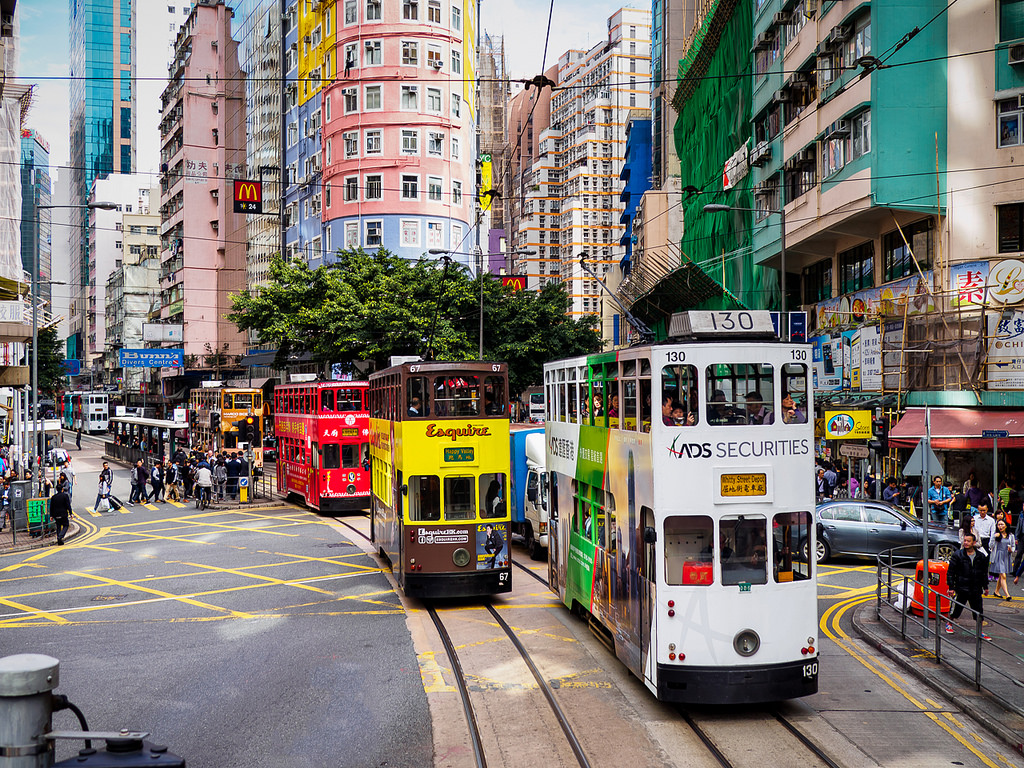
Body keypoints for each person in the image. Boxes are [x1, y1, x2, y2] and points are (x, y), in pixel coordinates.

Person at [945, 533, 991, 640]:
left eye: (968, 541)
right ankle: (949, 622)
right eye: (964, 541)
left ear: (974, 543)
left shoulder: (981, 556)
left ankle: (979, 631)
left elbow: (984, 573)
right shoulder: (958, 555)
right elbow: (950, 572)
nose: (965, 543)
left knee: (979, 611)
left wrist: (986, 587)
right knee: (956, 609)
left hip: (975, 588)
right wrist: (951, 587)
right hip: (961, 588)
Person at [989, 518, 1015, 600]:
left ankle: (996, 591)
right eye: (998, 525)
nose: (1000, 526)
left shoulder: (1010, 535)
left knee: (1001, 576)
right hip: (998, 556)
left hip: (1006, 556)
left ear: (1006, 526)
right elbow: (990, 545)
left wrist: (1011, 550)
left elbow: (1013, 546)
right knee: (1003, 575)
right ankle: (1007, 594)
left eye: (1002, 524)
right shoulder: (996, 535)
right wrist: (993, 537)